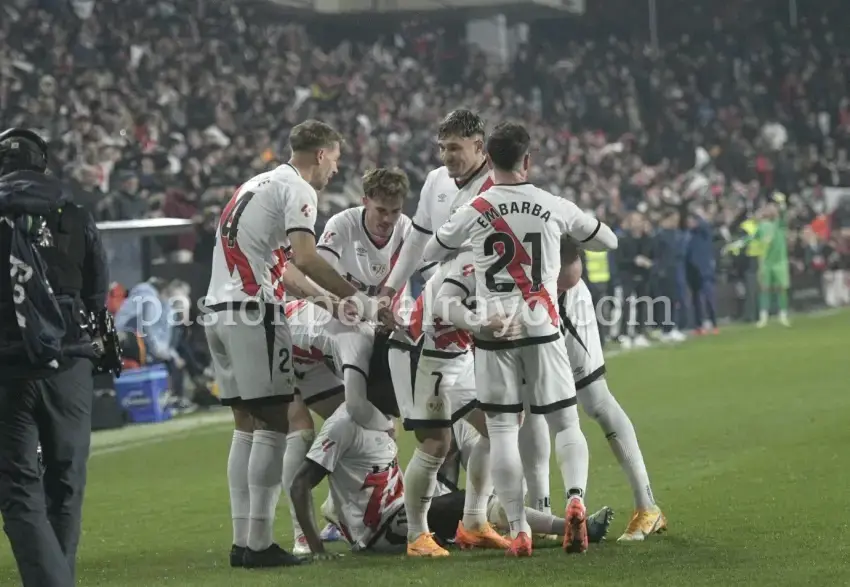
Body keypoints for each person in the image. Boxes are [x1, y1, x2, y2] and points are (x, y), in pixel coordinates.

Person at [203, 119, 397, 569]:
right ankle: (258, 545)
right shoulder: (299, 189)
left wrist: (329, 301)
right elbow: (306, 257)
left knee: (246, 425)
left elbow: (283, 267)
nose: (335, 171)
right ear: (323, 154)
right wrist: (360, 300)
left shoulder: (256, 184)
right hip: (255, 312)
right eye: (336, 160)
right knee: (274, 424)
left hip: (217, 310)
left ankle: (243, 540)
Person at [421, 121, 618, 557]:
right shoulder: (552, 203)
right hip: (542, 325)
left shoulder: (476, 205)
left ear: (488, 160)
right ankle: (575, 500)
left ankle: (519, 528)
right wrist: (577, 229)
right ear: (527, 160)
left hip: (494, 330)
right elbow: (608, 240)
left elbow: (432, 250)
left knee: (504, 431)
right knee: (565, 421)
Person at [0, 128, 109, 587]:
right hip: (71, 362)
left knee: (19, 487)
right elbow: (97, 293)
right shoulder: (75, 210)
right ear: (42, 164)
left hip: (8, 364)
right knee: (66, 479)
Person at [290, 402, 615, 555]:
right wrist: (317, 548)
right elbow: (300, 484)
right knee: (467, 505)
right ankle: (570, 527)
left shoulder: (378, 413)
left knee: (470, 505)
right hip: (380, 531)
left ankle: (566, 528)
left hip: (398, 513)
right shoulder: (342, 424)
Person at [388, 246, 517, 557]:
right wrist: (482, 324)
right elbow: (447, 305)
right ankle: (417, 536)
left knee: (496, 424)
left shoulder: (500, 259)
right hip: (423, 350)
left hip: (457, 352)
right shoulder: (471, 260)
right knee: (436, 442)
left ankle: (474, 522)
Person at [556, 238, 667, 541]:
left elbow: (599, 236)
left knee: (596, 400)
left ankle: (647, 506)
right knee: (533, 408)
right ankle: (538, 515)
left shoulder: (534, 203)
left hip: (558, 299)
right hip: (526, 301)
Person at [282, 297, 394, 554]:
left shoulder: (370, 344)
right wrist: (386, 425)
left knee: (354, 429)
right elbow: (356, 406)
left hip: (311, 352)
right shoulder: (357, 346)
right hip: (281, 337)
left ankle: (335, 508)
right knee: (301, 430)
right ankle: (303, 537)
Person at [725, 193, 791, 327]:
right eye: (769, 208)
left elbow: (783, 214)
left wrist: (781, 201)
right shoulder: (762, 226)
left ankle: (782, 315)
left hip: (780, 261)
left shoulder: (780, 224)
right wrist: (737, 244)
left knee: (781, 289)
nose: (770, 210)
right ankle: (763, 316)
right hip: (766, 261)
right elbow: (750, 238)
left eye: (773, 208)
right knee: (764, 289)